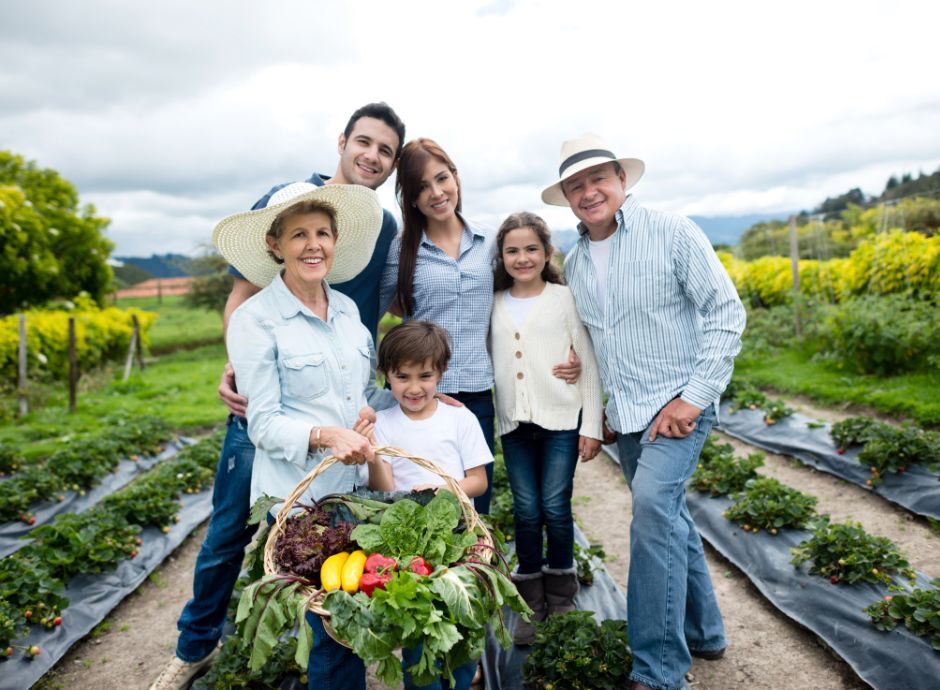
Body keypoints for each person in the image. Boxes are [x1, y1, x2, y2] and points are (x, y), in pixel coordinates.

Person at [149, 102, 405, 690]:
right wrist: (241, 367)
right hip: (279, 397)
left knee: (334, 554)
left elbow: (386, 301)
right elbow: (244, 296)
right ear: (341, 142)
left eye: (385, 151)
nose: (372, 156)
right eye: (363, 142)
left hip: (338, 397)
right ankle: (195, 648)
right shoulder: (284, 197)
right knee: (228, 531)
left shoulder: (381, 229)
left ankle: (321, 648)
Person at [541, 134, 746, 690]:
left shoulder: (672, 232)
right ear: (565, 196)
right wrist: (600, 402)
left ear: (621, 181)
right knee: (669, 516)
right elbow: (599, 344)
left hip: (679, 405)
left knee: (653, 512)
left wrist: (694, 397)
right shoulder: (577, 262)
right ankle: (704, 632)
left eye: (598, 179)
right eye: (576, 185)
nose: (589, 192)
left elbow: (726, 313)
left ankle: (658, 671)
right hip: (629, 415)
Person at [222, 183, 394, 689]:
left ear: (336, 241)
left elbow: (358, 392)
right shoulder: (256, 320)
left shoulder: (349, 315)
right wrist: (325, 434)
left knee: (351, 618)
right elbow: (264, 424)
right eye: (298, 234)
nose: (312, 244)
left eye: (322, 233)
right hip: (301, 499)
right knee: (334, 627)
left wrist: (364, 413)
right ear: (275, 244)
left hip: (356, 492)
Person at [379, 138, 580, 515]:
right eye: (422, 187)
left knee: (473, 508)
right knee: (410, 502)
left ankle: (474, 573)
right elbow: (372, 313)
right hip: (417, 393)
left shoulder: (490, 242)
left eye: (442, 178)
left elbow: (521, 300)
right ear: (410, 198)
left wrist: (570, 350)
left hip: (474, 395)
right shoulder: (400, 249)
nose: (436, 193)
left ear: (456, 177)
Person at [489, 211, 604, 645]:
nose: (522, 258)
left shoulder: (563, 298)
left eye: (531, 249)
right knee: (525, 509)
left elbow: (588, 364)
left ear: (547, 252)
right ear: (501, 256)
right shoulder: (495, 301)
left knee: (555, 507)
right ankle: (529, 597)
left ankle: (561, 592)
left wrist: (591, 424)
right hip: (515, 422)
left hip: (559, 418)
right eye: (513, 250)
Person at [365, 320, 492, 690]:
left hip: (457, 537)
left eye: (425, 375)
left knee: (459, 623)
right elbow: (383, 489)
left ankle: (463, 678)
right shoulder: (385, 423)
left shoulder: (459, 418)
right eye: (402, 377)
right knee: (419, 627)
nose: (415, 387)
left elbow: (478, 481)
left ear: (441, 373)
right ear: (387, 375)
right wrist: (373, 455)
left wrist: (444, 490)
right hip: (409, 546)